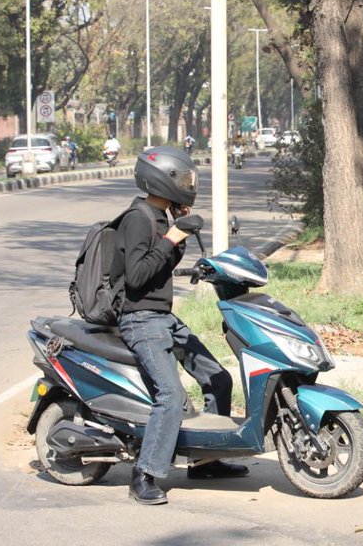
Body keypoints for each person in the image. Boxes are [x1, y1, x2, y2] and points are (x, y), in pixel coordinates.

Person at [115, 145, 246, 505]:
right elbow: (138, 276)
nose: (189, 186)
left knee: (218, 377)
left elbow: (161, 267)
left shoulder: (157, 217)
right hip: (140, 319)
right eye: (184, 180)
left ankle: (206, 461)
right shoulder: (138, 218)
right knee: (170, 395)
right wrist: (172, 237)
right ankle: (144, 475)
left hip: (161, 317)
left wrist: (177, 234)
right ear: (164, 180)